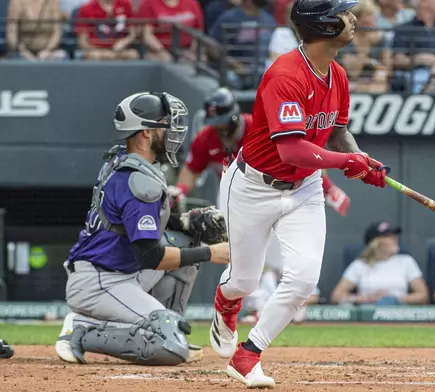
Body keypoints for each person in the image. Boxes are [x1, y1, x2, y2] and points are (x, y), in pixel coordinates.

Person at [209, 0, 388, 387]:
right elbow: (290, 148)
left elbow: (338, 131)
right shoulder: (285, 75)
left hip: (304, 187)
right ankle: (225, 303)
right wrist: (345, 163)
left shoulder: (337, 74)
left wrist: (360, 158)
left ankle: (248, 354)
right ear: (323, 26)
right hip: (253, 186)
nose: (353, 18)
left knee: (304, 279)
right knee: (245, 281)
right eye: (344, 13)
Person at [54, 92, 230, 366]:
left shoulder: (128, 165)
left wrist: (182, 221)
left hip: (122, 272)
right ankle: (83, 328)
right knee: (168, 349)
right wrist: (211, 253)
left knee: (184, 238)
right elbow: (151, 256)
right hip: (100, 281)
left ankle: (170, 327)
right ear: (145, 133)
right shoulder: (136, 180)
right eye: (165, 124)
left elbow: (135, 221)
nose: (173, 131)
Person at [171, 87, 351, 216]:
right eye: (214, 122)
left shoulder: (259, 130)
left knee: (276, 261)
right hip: (234, 197)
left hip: (273, 193)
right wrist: (180, 190)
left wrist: (328, 188)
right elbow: (192, 170)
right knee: (234, 255)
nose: (218, 127)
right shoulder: (206, 138)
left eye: (222, 121)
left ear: (234, 116)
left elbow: (302, 156)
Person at [330, 222, 429, 306]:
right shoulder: (360, 265)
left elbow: (423, 295)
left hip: (399, 314)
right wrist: (365, 298)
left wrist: (395, 299)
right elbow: (336, 296)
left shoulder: (406, 261)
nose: (394, 239)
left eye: (394, 236)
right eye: (388, 237)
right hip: (368, 316)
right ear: (375, 243)